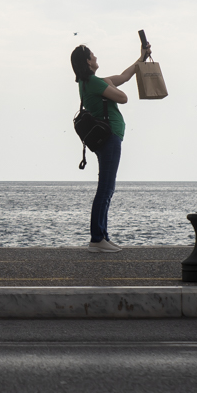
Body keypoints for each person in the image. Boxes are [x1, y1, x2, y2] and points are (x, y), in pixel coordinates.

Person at [71, 41, 151, 253]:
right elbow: (123, 98)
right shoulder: (94, 83)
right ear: (88, 61)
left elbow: (124, 76)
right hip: (110, 137)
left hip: (109, 138)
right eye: (93, 56)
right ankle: (97, 239)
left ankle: (102, 236)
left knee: (107, 187)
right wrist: (109, 87)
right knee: (106, 188)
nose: (96, 58)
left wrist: (141, 58)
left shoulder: (91, 82)